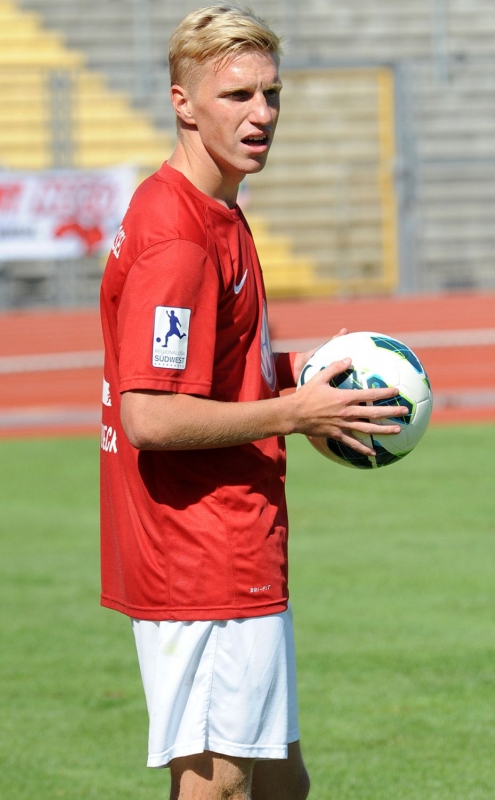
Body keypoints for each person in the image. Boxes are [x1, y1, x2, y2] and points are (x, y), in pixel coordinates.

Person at [99, 5, 406, 799]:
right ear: (182, 102)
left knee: (278, 784)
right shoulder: (179, 237)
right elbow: (150, 413)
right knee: (220, 784)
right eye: (236, 95)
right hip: (200, 552)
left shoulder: (215, 210)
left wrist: (301, 370)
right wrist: (294, 412)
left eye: (271, 94)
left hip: (234, 543)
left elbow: (209, 365)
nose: (261, 113)